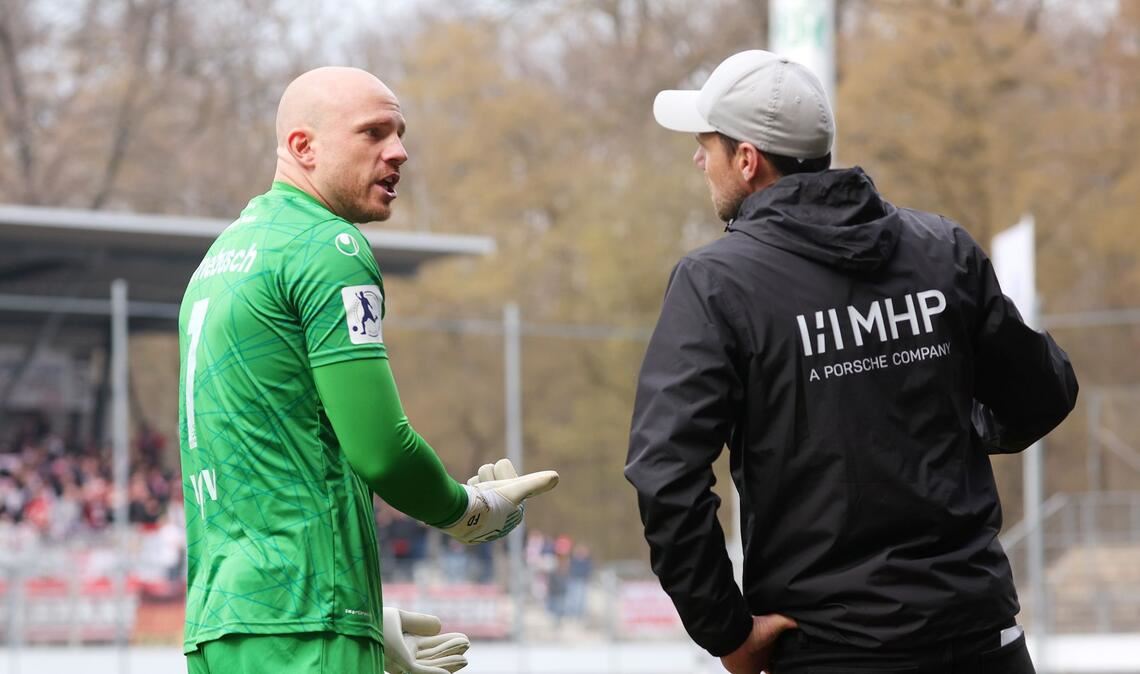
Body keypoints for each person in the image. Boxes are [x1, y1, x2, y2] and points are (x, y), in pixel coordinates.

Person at [625, 50, 1077, 674]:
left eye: (708, 144)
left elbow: (664, 475)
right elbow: (1043, 393)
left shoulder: (716, 285)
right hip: (981, 641)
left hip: (828, 651)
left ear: (749, 160)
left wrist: (726, 630)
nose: (699, 158)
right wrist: (954, 430)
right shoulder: (940, 250)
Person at [178, 66, 558, 674]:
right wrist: (469, 512)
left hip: (225, 623)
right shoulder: (328, 248)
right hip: (306, 621)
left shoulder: (222, 258)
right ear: (304, 147)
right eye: (374, 132)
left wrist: (366, 615)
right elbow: (381, 449)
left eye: (400, 132)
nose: (400, 151)